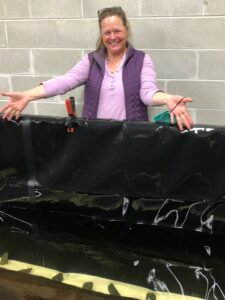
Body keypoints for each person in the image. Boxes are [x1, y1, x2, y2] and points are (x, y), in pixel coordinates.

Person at [0, 6, 193, 131]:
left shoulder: (142, 59)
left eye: (117, 30)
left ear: (126, 29)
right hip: (94, 137)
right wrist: (28, 95)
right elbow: (64, 82)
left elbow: (147, 93)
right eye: (107, 32)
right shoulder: (91, 61)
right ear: (102, 35)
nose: (113, 36)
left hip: (131, 137)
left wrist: (167, 98)